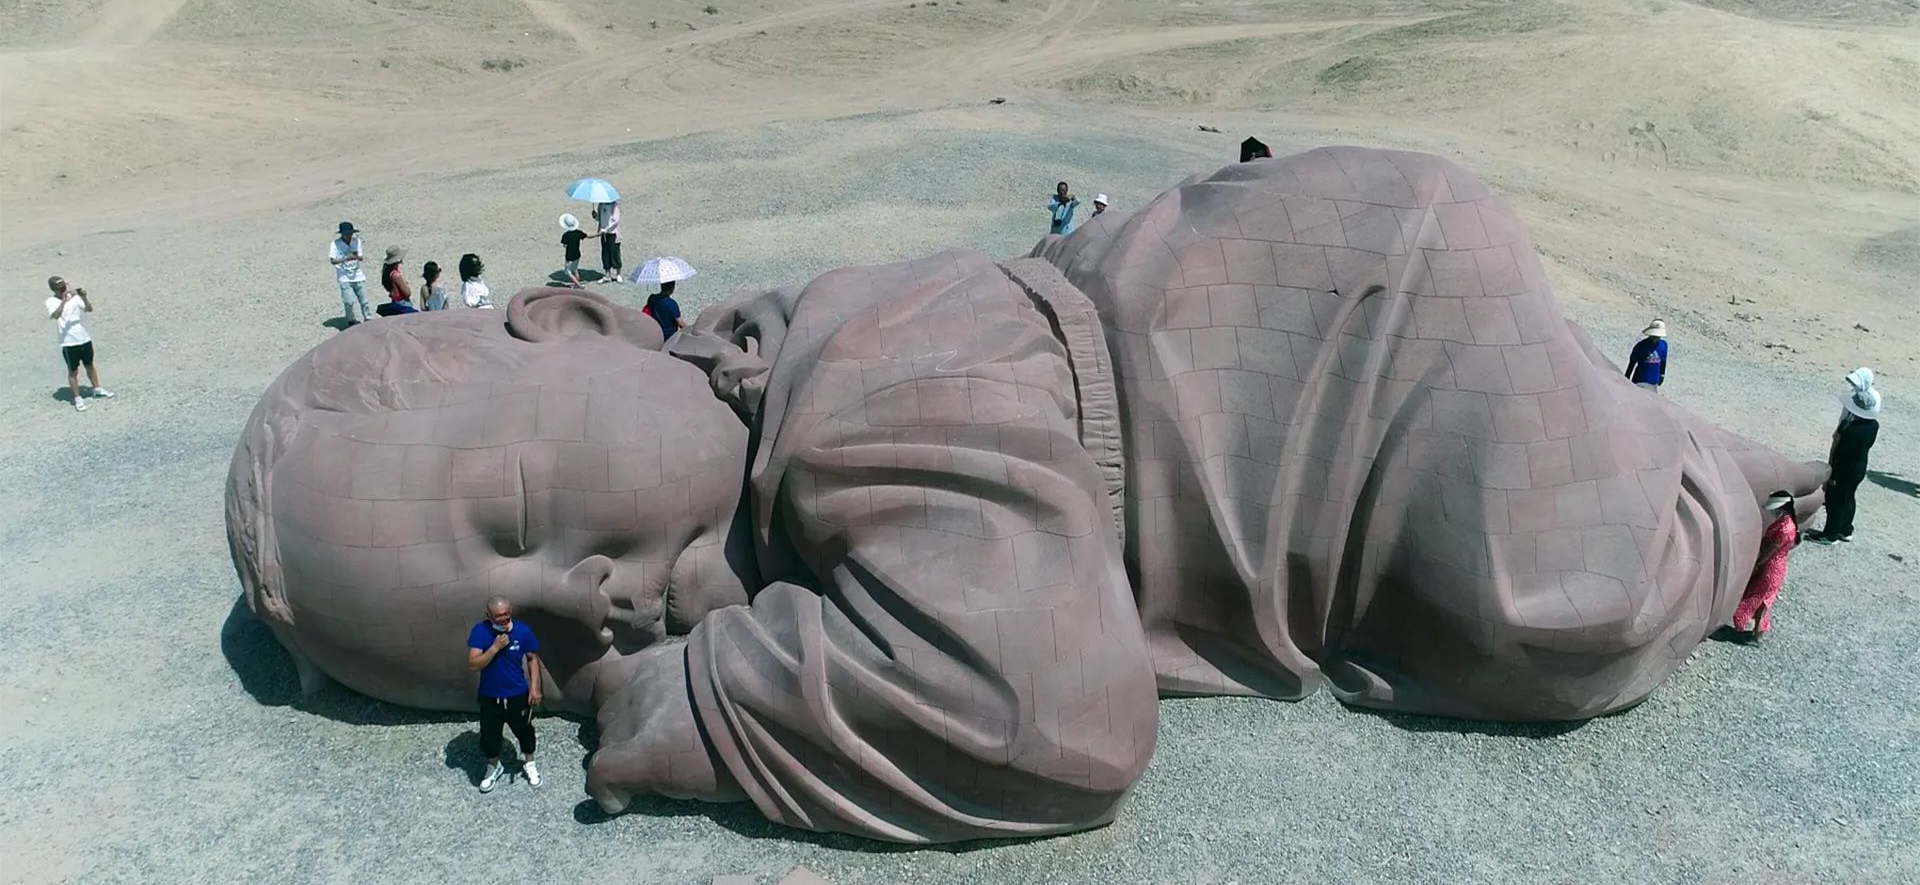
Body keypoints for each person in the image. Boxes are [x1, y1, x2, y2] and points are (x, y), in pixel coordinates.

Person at [231, 148, 1827, 844]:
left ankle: (1729, 477)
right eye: (511, 626)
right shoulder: (797, 469)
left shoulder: (858, 389)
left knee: (1560, 604)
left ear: (583, 320)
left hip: (1355, 342)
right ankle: (1685, 445)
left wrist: (693, 701)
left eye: (522, 509)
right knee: (1552, 520)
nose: (590, 597)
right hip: (1260, 403)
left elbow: (1054, 713)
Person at [465, 596, 543, 792]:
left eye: (507, 613)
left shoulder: (523, 631)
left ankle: (530, 763)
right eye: (499, 615)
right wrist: (494, 648)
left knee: (524, 730)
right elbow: (474, 665)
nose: (505, 618)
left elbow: (533, 659)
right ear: (488, 616)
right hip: (490, 695)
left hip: (517, 693)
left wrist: (535, 687)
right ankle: (493, 766)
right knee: (490, 735)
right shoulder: (480, 632)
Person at [1808, 367, 1881, 544]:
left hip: (1844, 469)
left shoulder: (1851, 431)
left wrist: (1832, 474)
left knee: (1836, 500)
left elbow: (1841, 452)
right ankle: (1845, 529)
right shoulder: (1872, 426)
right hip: (1858, 467)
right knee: (1849, 498)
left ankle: (1830, 533)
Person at [1733, 491, 1798, 641]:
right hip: (1775, 567)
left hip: (1770, 568)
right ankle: (1757, 630)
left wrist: (1757, 563)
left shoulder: (1785, 528)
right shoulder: (1787, 523)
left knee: (1757, 597)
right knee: (1764, 599)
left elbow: (1771, 550)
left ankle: (1756, 630)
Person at [45, 276, 114, 411]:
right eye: (60, 289)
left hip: (84, 338)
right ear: (54, 289)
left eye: (64, 287)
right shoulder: (51, 301)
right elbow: (55, 315)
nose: (64, 290)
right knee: (73, 371)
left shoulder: (75, 298)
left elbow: (89, 309)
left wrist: (84, 297)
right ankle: (77, 398)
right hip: (69, 342)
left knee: (90, 365)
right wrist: (64, 302)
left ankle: (97, 388)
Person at [329, 222, 371, 325]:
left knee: (364, 300)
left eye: (350, 233)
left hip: (358, 275)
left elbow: (361, 257)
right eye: (346, 234)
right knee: (348, 302)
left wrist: (356, 256)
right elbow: (333, 260)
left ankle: (368, 319)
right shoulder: (335, 244)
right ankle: (351, 320)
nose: (349, 235)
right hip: (344, 277)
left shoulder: (357, 242)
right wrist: (345, 258)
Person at [1624, 319, 1668, 390]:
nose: (1655, 338)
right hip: (1640, 381)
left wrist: (1662, 375)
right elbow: (1632, 363)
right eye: (1654, 336)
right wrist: (1627, 377)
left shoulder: (1663, 345)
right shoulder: (1641, 346)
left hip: (1654, 382)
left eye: (1657, 336)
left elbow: (1663, 362)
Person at [376, 247, 417, 316]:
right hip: (402, 302)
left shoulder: (388, 272)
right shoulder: (396, 275)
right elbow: (407, 293)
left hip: (395, 301)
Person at [559, 213, 591, 289]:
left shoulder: (566, 235)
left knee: (568, 272)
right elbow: (587, 236)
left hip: (569, 256)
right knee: (575, 269)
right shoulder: (578, 233)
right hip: (577, 254)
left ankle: (578, 285)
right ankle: (577, 284)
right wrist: (598, 234)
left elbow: (564, 245)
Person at [595, 201, 623, 283]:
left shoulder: (614, 205)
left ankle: (618, 274)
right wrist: (595, 216)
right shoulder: (601, 205)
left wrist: (606, 229)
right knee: (605, 253)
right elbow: (600, 218)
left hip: (613, 233)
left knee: (615, 253)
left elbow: (616, 220)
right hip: (604, 233)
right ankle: (607, 275)